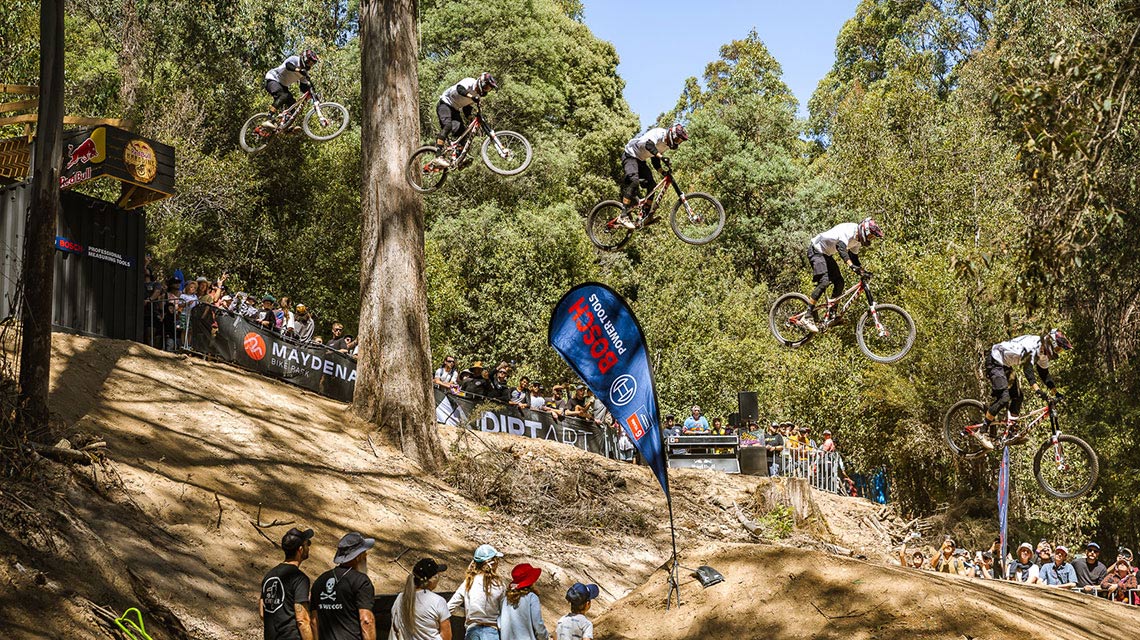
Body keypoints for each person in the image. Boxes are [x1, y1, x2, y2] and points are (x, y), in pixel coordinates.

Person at [976, 329, 1073, 450]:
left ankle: (1011, 434)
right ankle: (981, 431)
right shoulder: (1032, 346)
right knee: (1004, 398)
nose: (1058, 352)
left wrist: (1056, 392)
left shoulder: (1043, 353)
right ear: (1051, 343)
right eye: (1058, 348)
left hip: (1005, 365)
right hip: (995, 360)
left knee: (1018, 396)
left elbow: (1044, 374)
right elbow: (1028, 371)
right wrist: (1037, 390)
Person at [798, 217, 884, 333]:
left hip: (826, 254)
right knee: (824, 281)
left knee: (839, 282)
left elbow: (854, 258)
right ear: (865, 231)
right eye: (870, 236)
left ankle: (832, 314)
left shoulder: (857, 241)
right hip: (816, 251)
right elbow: (841, 248)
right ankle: (807, 316)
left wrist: (862, 271)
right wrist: (851, 266)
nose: (870, 239)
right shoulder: (849, 231)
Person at [615, 124, 689, 228]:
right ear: (672, 134)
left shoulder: (666, 145)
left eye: (679, 142)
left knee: (652, 185)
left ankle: (645, 217)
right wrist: (662, 157)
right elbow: (648, 145)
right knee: (634, 181)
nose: (677, 143)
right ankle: (622, 216)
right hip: (630, 156)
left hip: (640, 160)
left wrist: (662, 171)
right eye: (677, 140)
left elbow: (655, 160)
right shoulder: (658, 133)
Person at [311, 532, 377, 640]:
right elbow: (366, 620)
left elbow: (314, 621)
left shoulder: (320, 580)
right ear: (357, 556)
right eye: (364, 552)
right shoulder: (361, 581)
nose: (366, 555)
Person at [431, 73, 498, 168]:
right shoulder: (470, 82)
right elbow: (460, 89)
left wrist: (470, 117)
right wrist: (471, 96)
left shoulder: (477, 96)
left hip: (455, 109)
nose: (487, 90)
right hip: (444, 104)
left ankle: (459, 159)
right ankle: (438, 156)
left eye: (489, 89)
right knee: (448, 126)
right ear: (482, 82)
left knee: (463, 133)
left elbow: (466, 107)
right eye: (486, 87)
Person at [261, 527, 315, 640]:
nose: (308, 547)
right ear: (300, 549)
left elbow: (262, 612)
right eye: (307, 544)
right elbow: (302, 621)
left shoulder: (269, 576)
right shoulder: (300, 578)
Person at [448, 544, 507, 640]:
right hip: (492, 632)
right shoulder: (499, 585)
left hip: (472, 631)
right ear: (493, 563)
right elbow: (504, 613)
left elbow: (450, 606)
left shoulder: (468, 582)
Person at [391, 558, 451, 640]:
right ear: (433, 579)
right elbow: (447, 636)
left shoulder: (400, 598)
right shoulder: (438, 601)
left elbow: (396, 627)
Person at [264, 50, 321, 127]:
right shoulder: (294, 59)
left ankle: (286, 126)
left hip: (283, 86)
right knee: (283, 96)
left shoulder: (304, 73)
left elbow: (303, 87)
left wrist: (313, 94)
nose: (310, 65)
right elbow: (288, 66)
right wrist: (299, 70)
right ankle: (268, 118)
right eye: (310, 62)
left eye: (312, 64)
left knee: (292, 106)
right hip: (273, 79)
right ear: (305, 58)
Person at [499, 563, 548, 640]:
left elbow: (500, 622)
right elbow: (537, 623)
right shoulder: (531, 597)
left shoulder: (506, 598)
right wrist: (544, 637)